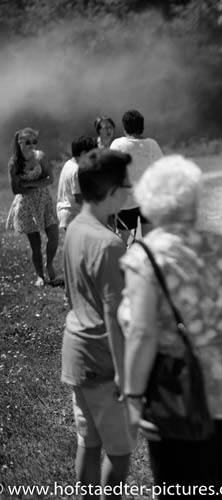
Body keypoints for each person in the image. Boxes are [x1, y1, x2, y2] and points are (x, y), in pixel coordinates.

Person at [119, 155, 222, 495]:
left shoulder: (145, 257)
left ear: (149, 202)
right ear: (195, 200)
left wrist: (133, 396)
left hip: (177, 391)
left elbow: (141, 332)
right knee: (217, 485)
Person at [61, 149, 136, 499]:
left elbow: (71, 293)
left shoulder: (75, 228)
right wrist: (124, 373)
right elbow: (115, 314)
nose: (130, 190)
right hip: (104, 360)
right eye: (126, 185)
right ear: (110, 190)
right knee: (119, 453)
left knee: (88, 443)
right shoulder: (110, 245)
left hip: (75, 352)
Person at [6, 127, 61, 287]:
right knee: (35, 244)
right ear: (20, 143)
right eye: (28, 142)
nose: (32, 145)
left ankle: (49, 264)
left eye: (34, 141)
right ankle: (40, 276)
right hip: (27, 206)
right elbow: (16, 189)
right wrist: (38, 183)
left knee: (54, 236)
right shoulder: (14, 163)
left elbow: (50, 179)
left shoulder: (40, 156)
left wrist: (29, 184)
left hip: (44, 201)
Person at [110, 109, 163, 242]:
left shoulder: (118, 144)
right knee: (149, 240)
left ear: (124, 127)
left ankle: (120, 262)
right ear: (142, 126)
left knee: (122, 240)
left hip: (126, 201)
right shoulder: (152, 144)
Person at [56, 136, 97, 231]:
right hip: (74, 215)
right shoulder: (77, 170)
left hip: (67, 214)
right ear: (83, 153)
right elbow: (79, 198)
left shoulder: (69, 163)